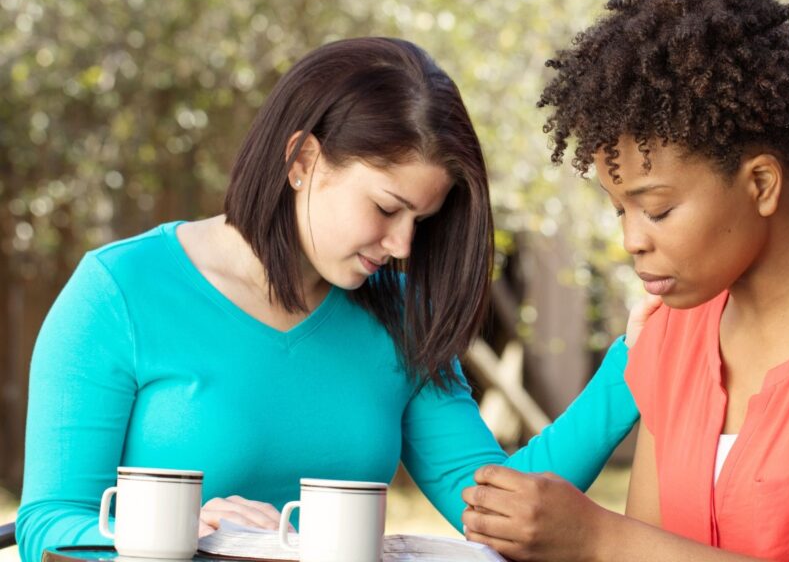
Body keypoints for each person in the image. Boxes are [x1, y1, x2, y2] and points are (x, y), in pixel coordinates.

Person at [17, 37, 646, 562]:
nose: (402, 246)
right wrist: (190, 534)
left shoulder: (401, 315)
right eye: (386, 207)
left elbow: (496, 512)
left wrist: (634, 364)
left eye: (420, 221)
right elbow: (47, 524)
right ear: (303, 160)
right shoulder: (119, 292)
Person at [461, 0, 789, 561]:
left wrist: (598, 537)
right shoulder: (675, 332)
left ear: (760, 184)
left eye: (658, 210)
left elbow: (627, 547)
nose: (632, 241)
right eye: (621, 210)